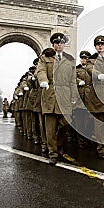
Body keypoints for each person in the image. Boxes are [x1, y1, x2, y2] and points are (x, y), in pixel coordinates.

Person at [36, 33, 77, 165]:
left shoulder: (70, 60)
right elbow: (40, 71)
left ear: (64, 45)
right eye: (56, 43)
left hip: (65, 95)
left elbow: (73, 81)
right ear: (53, 45)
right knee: (50, 129)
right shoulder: (45, 58)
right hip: (50, 95)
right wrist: (43, 81)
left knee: (66, 123)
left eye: (61, 43)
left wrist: (74, 96)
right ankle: (53, 153)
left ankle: (59, 143)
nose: (59, 45)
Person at [74, 50, 93, 149]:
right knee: (79, 122)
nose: (83, 60)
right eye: (82, 58)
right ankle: (81, 141)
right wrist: (78, 81)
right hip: (79, 99)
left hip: (90, 99)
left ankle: (88, 139)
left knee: (89, 121)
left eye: (85, 58)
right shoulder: (76, 70)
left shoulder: (92, 69)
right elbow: (72, 79)